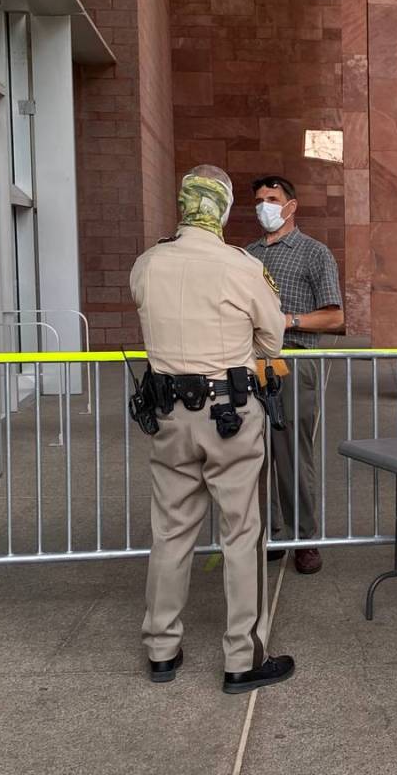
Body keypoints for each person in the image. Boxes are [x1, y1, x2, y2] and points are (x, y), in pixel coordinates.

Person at [129, 164, 294, 694]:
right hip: (230, 415)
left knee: (170, 530)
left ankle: (161, 649)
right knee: (242, 533)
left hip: (169, 416)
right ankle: (241, 659)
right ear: (223, 210)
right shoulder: (240, 267)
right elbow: (272, 343)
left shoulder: (149, 263)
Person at [246, 174, 344, 575]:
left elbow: (335, 316)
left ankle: (305, 538)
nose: (263, 206)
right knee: (253, 454)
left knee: (290, 454)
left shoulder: (313, 253)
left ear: (291, 205)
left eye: (271, 198)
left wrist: (287, 320)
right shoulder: (246, 255)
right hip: (248, 364)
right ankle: (270, 532)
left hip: (293, 362)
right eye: (258, 200)